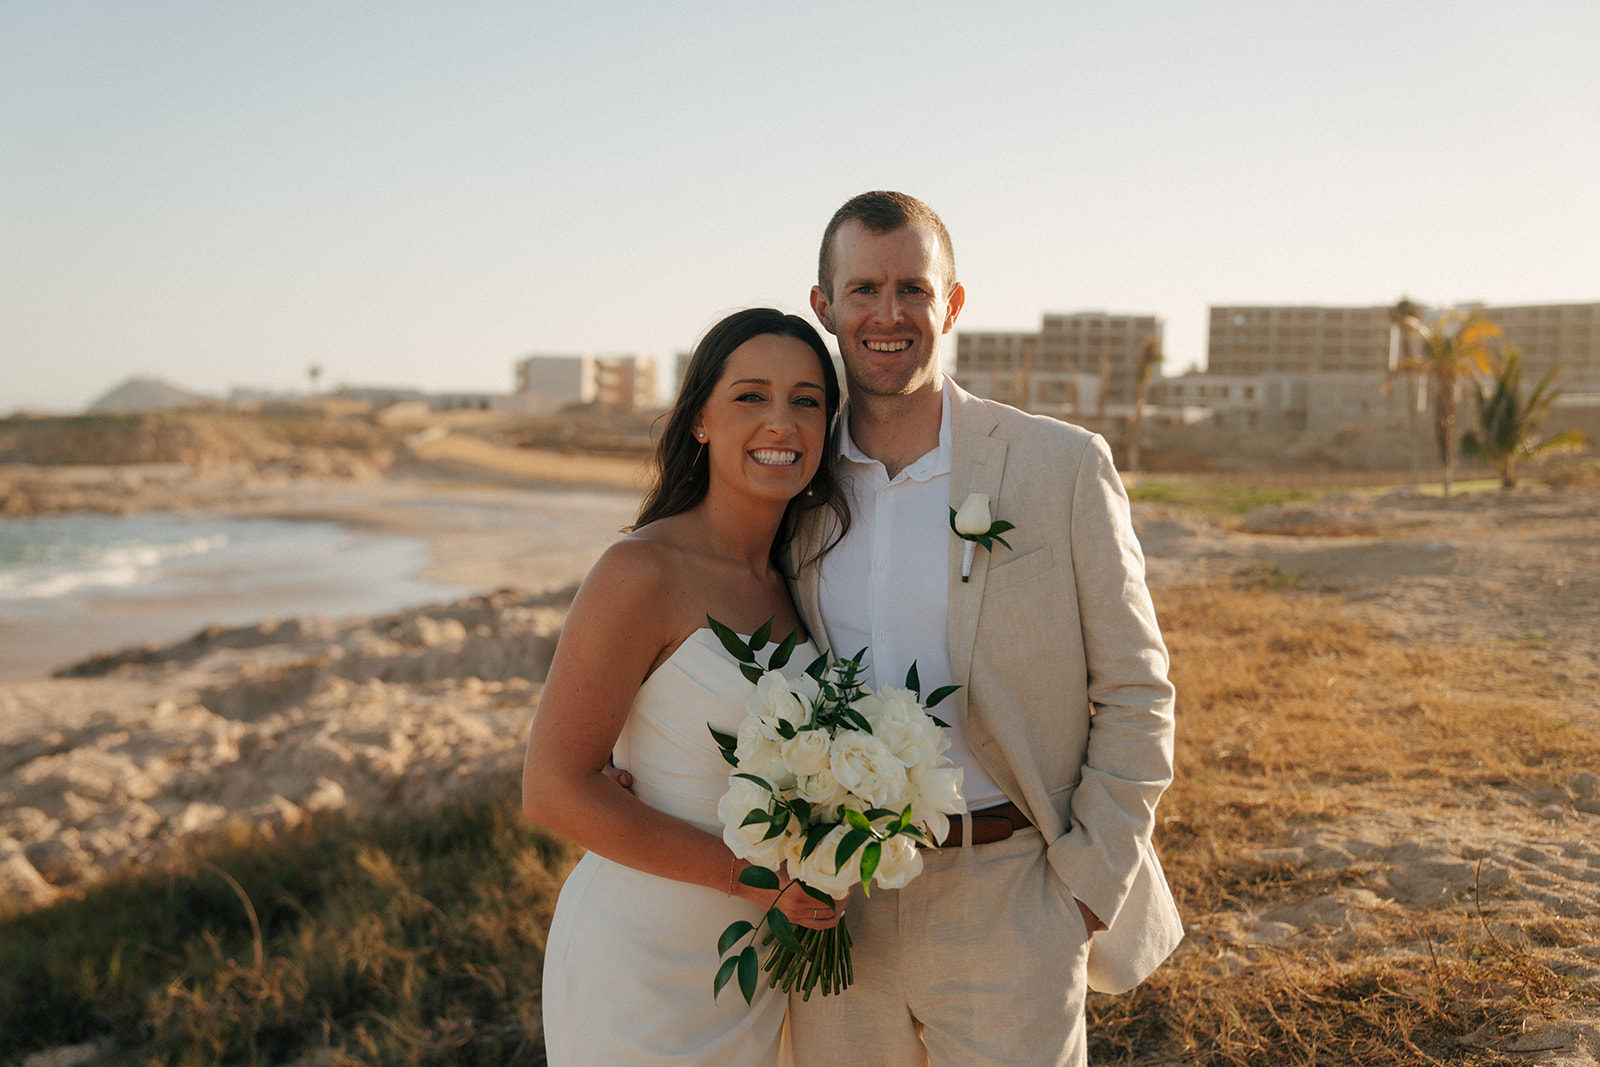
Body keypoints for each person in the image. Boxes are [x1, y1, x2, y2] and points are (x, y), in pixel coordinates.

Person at [783, 192, 1182, 1067]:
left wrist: (1079, 893)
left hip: (1011, 891)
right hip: (839, 903)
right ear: (825, 307)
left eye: (913, 290)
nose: (889, 315)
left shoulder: (1061, 466)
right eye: (863, 290)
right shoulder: (793, 482)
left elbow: (1137, 691)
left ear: (952, 305)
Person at [522, 308, 853, 1066]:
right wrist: (755, 880)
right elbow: (552, 789)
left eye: (807, 400)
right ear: (700, 419)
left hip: (760, 974)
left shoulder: (804, 577)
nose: (782, 421)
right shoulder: (640, 571)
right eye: (750, 397)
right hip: (640, 968)